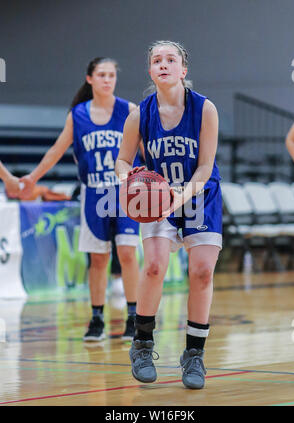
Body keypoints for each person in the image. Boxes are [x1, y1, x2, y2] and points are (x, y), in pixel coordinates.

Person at [115, 41, 222, 389]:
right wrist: (126, 181)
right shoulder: (139, 114)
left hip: (198, 194)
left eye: (170, 59)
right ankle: (143, 344)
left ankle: (194, 355)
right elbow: (122, 160)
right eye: (156, 60)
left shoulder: (205, 109)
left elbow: (205, 166)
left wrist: (181, 197)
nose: (163, 64)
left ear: (183, 70)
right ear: (150, 70)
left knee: (202, 272)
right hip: (157, 194)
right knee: (155, 265)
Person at [20, 57, 141, 342]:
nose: (107, 80)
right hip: (94, 193)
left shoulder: (129, 110)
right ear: (90, 79)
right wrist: (33, 177)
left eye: (111, 75)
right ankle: (97, 318)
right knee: (98, 259)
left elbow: (147, 148)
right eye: (102, 75)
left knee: (126, 254)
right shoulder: (78, 115)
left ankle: (134, 317)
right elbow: (56, 151)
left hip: (124, 193)